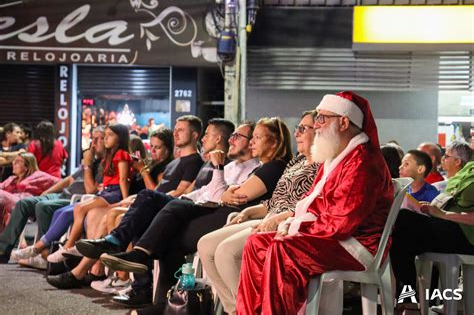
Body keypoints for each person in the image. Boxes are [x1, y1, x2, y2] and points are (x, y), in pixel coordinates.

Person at [99, 117, 292, 310]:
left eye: (257, 137)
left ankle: (159, 289)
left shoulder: (273, 167)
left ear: (273, 142)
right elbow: (218, 193)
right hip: (221, 210)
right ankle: (163, 300)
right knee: (164, 221)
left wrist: (223, 182)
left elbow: (238, 195)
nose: (251, 142)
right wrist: (226, 192)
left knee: (170, 222)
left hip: (231, 216)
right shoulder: (257, 167)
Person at [235, 91, 393, 314]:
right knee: (256, 243)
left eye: (321, 118)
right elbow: (315, 205)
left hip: (356, 244)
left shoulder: (363, 161)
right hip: (330, 236)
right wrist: (291, 221)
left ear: (344, 122)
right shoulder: (337, 156)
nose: (316, 126)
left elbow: (341, 222)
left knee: (284, 249)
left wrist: (295, 227)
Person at [46, 118, 233, 292]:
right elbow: (195, 190)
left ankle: (115, 270)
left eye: (181, 130)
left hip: (192, 211)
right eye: (174, 130)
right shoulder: (200, 163)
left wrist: (145, 175)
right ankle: (105, 266)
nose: (176, 133)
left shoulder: (205, 162)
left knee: (126, 210)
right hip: (178, 203)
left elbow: (204, 194)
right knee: (109, 210)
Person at [197, 110, 319, 314]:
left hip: (287, 224)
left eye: (303, 129)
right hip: (270, 215)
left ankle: (248, 310)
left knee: (226, 252)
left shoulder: (322, 166)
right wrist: (248, 213)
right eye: (297, 128)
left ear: (320, 132)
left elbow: (311, 206)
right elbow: (273, 202)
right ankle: (234, 309)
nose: (297, 133)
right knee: (205, 245)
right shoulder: (296, 162)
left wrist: (274, 218)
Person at [0, 127, 105, 265]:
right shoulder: (91, 160)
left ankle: (43, 252)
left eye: (98, 139)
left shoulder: (100, 165)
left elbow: (91, 190)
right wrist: (46, 193)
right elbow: (68, 180)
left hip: (75, 199)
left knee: (42, 206)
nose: (93, 142)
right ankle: (3, 251)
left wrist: (87, 166)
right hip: (61, 194)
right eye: (93, 138)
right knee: (23, 203)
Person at [391, 141, 473, 302]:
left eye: (447, 156)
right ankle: (410, 300)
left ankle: (409, 301)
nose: (443, 160)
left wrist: (444, 214)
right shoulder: (467, 172)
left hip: (464, 235)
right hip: (449, 226)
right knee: (400, 223)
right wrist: (434, 210)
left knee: (403, 222)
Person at [45, 124, 132, 262]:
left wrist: (126, 200)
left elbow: (123, 179)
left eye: (109, 136)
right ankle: (72, 245)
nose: (105, 139)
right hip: (107, 191)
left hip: (114, 193)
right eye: (106, 135)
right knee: (79, 208)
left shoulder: (122, 154)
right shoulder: (108, 157)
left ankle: (69, 245)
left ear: (120, 138)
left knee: (80, 208)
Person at [0, 153, 61, 233]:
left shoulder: (38, 176)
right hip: (10, 207)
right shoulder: (12, 179)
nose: (13, 163)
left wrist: (47, 193)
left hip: (25, 204)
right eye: (14, 161)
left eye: (18, 161)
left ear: (27, 165)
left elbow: (61, 183)